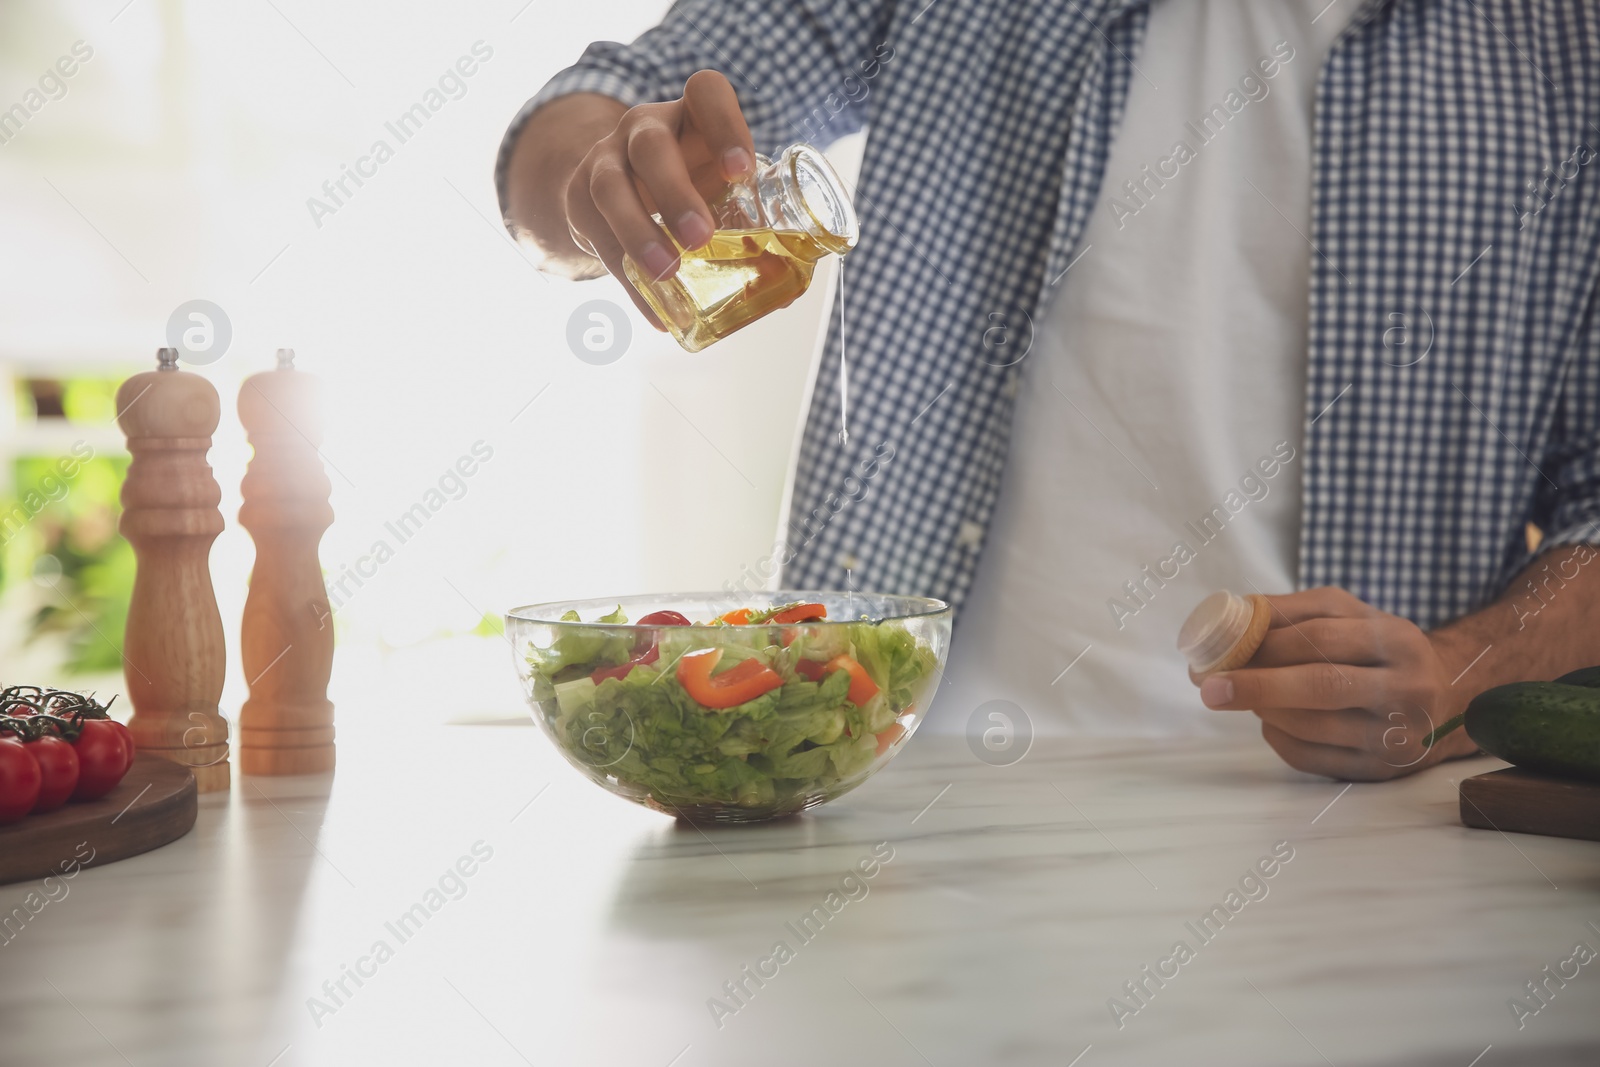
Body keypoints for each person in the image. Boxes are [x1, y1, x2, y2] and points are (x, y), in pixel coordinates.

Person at [497, 0, 1600, 781]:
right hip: (888, 811)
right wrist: (603, 168)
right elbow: (590, 124)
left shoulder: (1569, 51)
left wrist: (1465, 669)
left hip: (1336, 861)